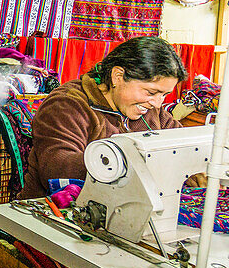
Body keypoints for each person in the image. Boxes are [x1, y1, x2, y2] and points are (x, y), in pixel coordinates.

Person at [20, 36, 187, 199]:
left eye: (164, 95)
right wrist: (130, 161)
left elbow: (184, 145)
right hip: (52, 213)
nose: (158, 104)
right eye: (151, 92)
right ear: (118, 76)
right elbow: (57, 171)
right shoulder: (67, 104)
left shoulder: (151, 111)